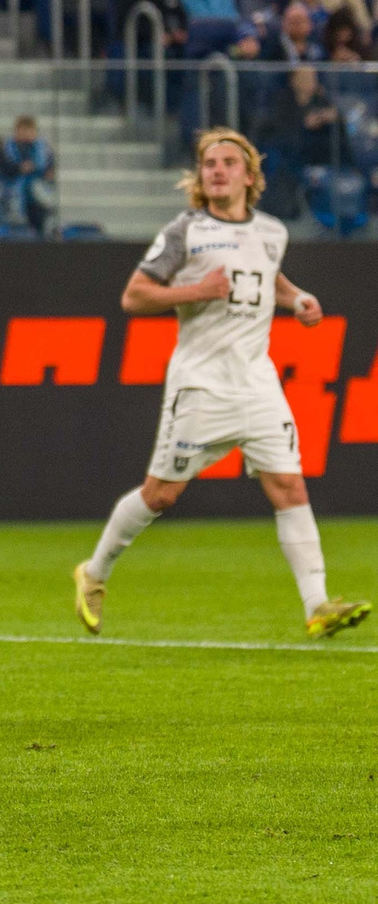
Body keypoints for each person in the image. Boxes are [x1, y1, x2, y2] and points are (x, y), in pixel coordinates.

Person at [73, 131, 368, 642]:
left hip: (257, 384)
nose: (217, 170)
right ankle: (94, 573)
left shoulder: (273, 231)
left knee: (290, 487)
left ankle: (317, 605)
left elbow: (268, 275)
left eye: (229, 163)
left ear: (249, 177)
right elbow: (134, 297)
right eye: (210, 163)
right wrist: (196, 290)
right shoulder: (186, 231)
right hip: (201, 386)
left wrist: (297, 300)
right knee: (161, 495)